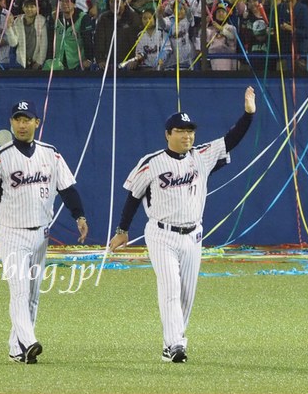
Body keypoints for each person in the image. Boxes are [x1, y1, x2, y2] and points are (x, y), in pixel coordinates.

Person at [108, 87, 257, 362]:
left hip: (193, 235)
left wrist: (248, 114)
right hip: (161, 234)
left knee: (186, 294)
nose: (187, 135)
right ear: (168, 134)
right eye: (180, 130)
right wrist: (122, 230)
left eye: (190, 131)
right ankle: (176, 344)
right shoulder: (152, 163)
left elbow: (230, 140)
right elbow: (133, 196)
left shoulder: (201, 157)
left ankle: (172, 344)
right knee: (170, 289)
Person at [0, 100, 88, 364]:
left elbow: (67, 188)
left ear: (37, 122)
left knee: (33, 295)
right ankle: (29, 340)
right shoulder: (0, 157)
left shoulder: (50, 154)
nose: (22, 125)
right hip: (11, 233)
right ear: (11, 123)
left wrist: (79, 216)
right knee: (20, 291)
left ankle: (17, 349)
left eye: (27, 119)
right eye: (17, 119)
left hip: (40, 235)